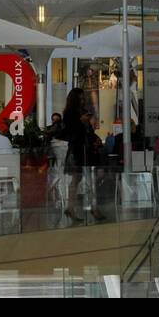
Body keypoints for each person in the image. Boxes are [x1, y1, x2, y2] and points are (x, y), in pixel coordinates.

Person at [61, 89, 105, 222]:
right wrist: (82, 122)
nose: (83, 101)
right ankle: (89, 207)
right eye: (80, 99)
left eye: (83, 98)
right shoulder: (69, 114)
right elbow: (70, 131)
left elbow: (89, 132)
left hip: (86, 149)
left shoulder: (83, 112)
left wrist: (95, 138)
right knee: (80, 178)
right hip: (78, 149)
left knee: (81, 179)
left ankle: (73, 207)